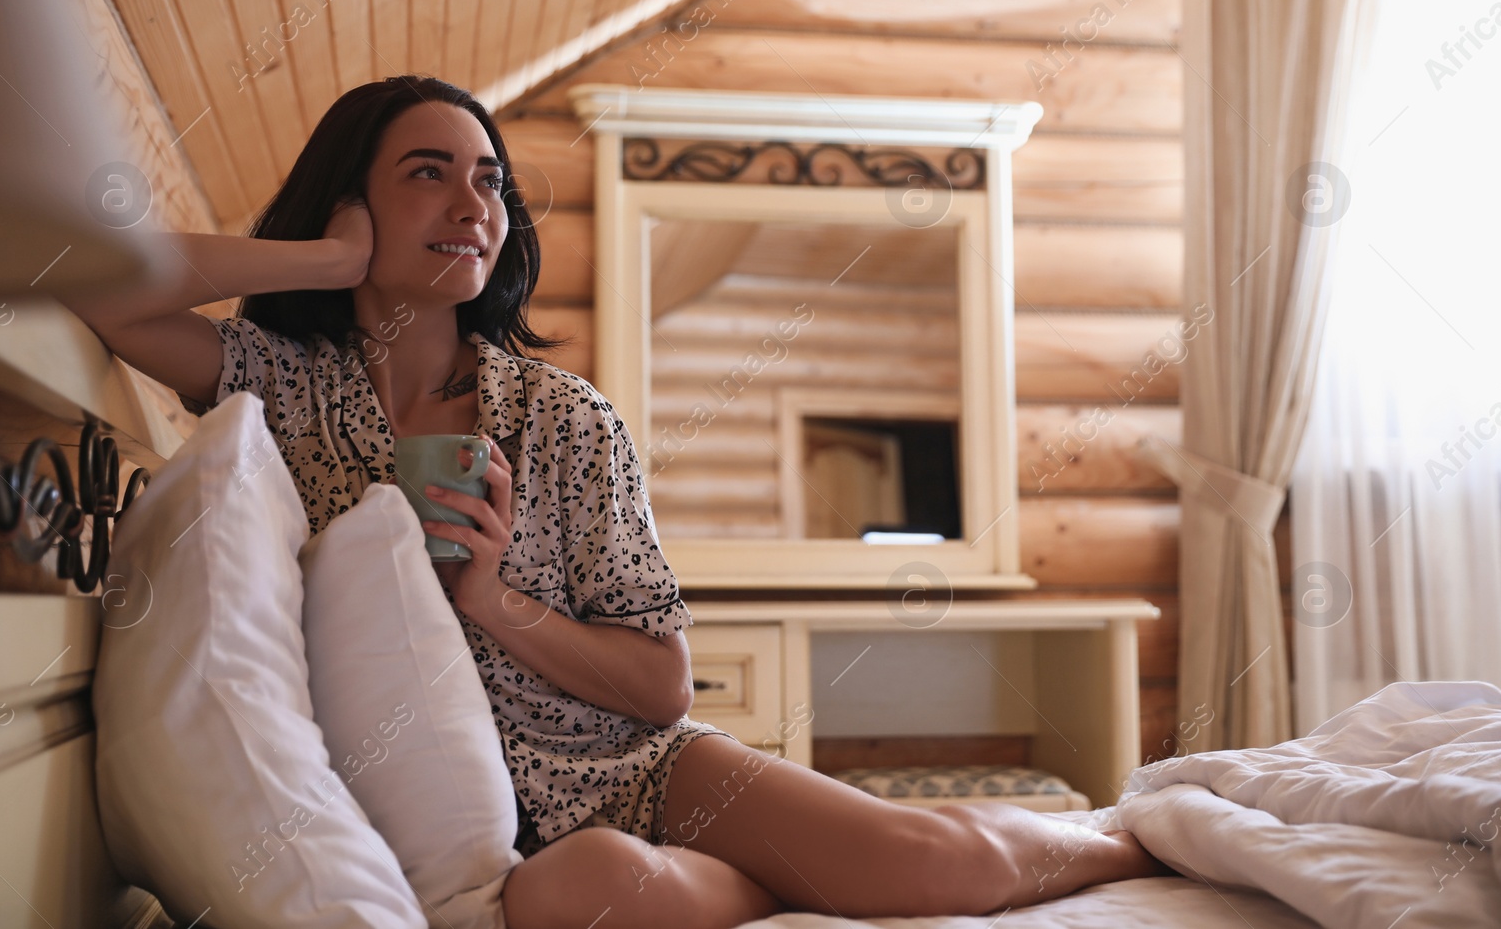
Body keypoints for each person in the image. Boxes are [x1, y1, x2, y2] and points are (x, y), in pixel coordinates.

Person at [64, 75, 1168, 929]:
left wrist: (494, 600)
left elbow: (661, 679)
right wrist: (322, 254)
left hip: (640, 763)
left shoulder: (563, 417)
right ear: (354, 197)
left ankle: (1141, 837)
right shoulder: (282, 382)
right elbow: (95, 281)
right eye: (427, 173)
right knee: (566, 894)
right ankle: (758, 885)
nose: (472, 203)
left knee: (927, 865)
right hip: (482, 816)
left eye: (489, 179)